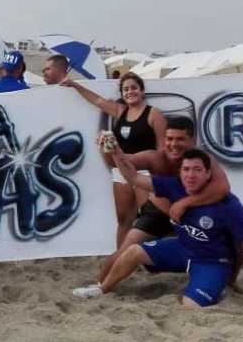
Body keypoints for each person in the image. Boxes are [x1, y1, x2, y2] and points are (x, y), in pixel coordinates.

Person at [73, 148, 243, 309]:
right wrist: (116, 153)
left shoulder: (228, 204)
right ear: (180, 172)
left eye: (197, 170)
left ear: (207, 174)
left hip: (212, 261)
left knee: (190, 306)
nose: (190, 175)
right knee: (133, 250)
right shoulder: (173, 186)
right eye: (186, 169)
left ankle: (219, 285)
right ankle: (102, 289)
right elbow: (134, 178)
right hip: (182, 248)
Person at [79, 117, 232, 289]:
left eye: (180, 139)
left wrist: (185, 203)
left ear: (192, 140)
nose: (173, 144)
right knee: (126, 248)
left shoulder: (203, 160)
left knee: (232, 241)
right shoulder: (156, 157)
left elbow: (223, 187)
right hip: (158, 211)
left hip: (192, 213)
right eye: (169, 139)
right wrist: (112, 149)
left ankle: (231, 282)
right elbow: (127, 163)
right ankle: (99, 287)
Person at [62, 72, 167, 251]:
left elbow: (162, 147)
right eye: (125, 89)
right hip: (121, 170)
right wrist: (75, 85)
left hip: (143, 172)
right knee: (124, 218)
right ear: (122, 94)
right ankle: (121, 255)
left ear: (142, 91)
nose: (130, 92)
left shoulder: (153, 114)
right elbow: (97, 101)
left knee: (149, 219)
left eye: (134, 88)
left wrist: (160, 174)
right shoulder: (120, 111)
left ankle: (151, 257)